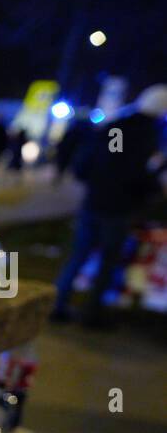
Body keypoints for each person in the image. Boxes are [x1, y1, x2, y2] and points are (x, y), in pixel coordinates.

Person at [52, 84, 167, 326]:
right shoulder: (143, 134)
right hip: (117, 208)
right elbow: (129, 169)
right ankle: (92, 312)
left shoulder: (118, 128)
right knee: (108, 261)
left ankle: (57, 304)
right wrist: (151, 188)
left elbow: (99, 161)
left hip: (94, 201)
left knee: (79, 255)